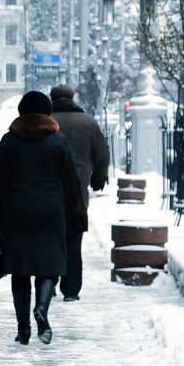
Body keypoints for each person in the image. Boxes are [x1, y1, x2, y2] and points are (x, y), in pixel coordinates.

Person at [0, 91, 81, 346]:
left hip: (15, 213)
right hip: (51, 211)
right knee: (50, 266)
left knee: (20, 270)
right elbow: (72, 182)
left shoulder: (8, 141)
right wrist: (77, 215)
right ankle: (41, 309)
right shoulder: (58, 141)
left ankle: (23, 329)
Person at [50, 84, 112, 301]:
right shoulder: (88, 122)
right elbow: (103, 154)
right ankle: (71, 290)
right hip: (77, 192)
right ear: (72, 98)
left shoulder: (46, 120)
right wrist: (97, 178)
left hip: (48, 191)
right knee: (73, 241)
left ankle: (49, 284)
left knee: (49, 240)